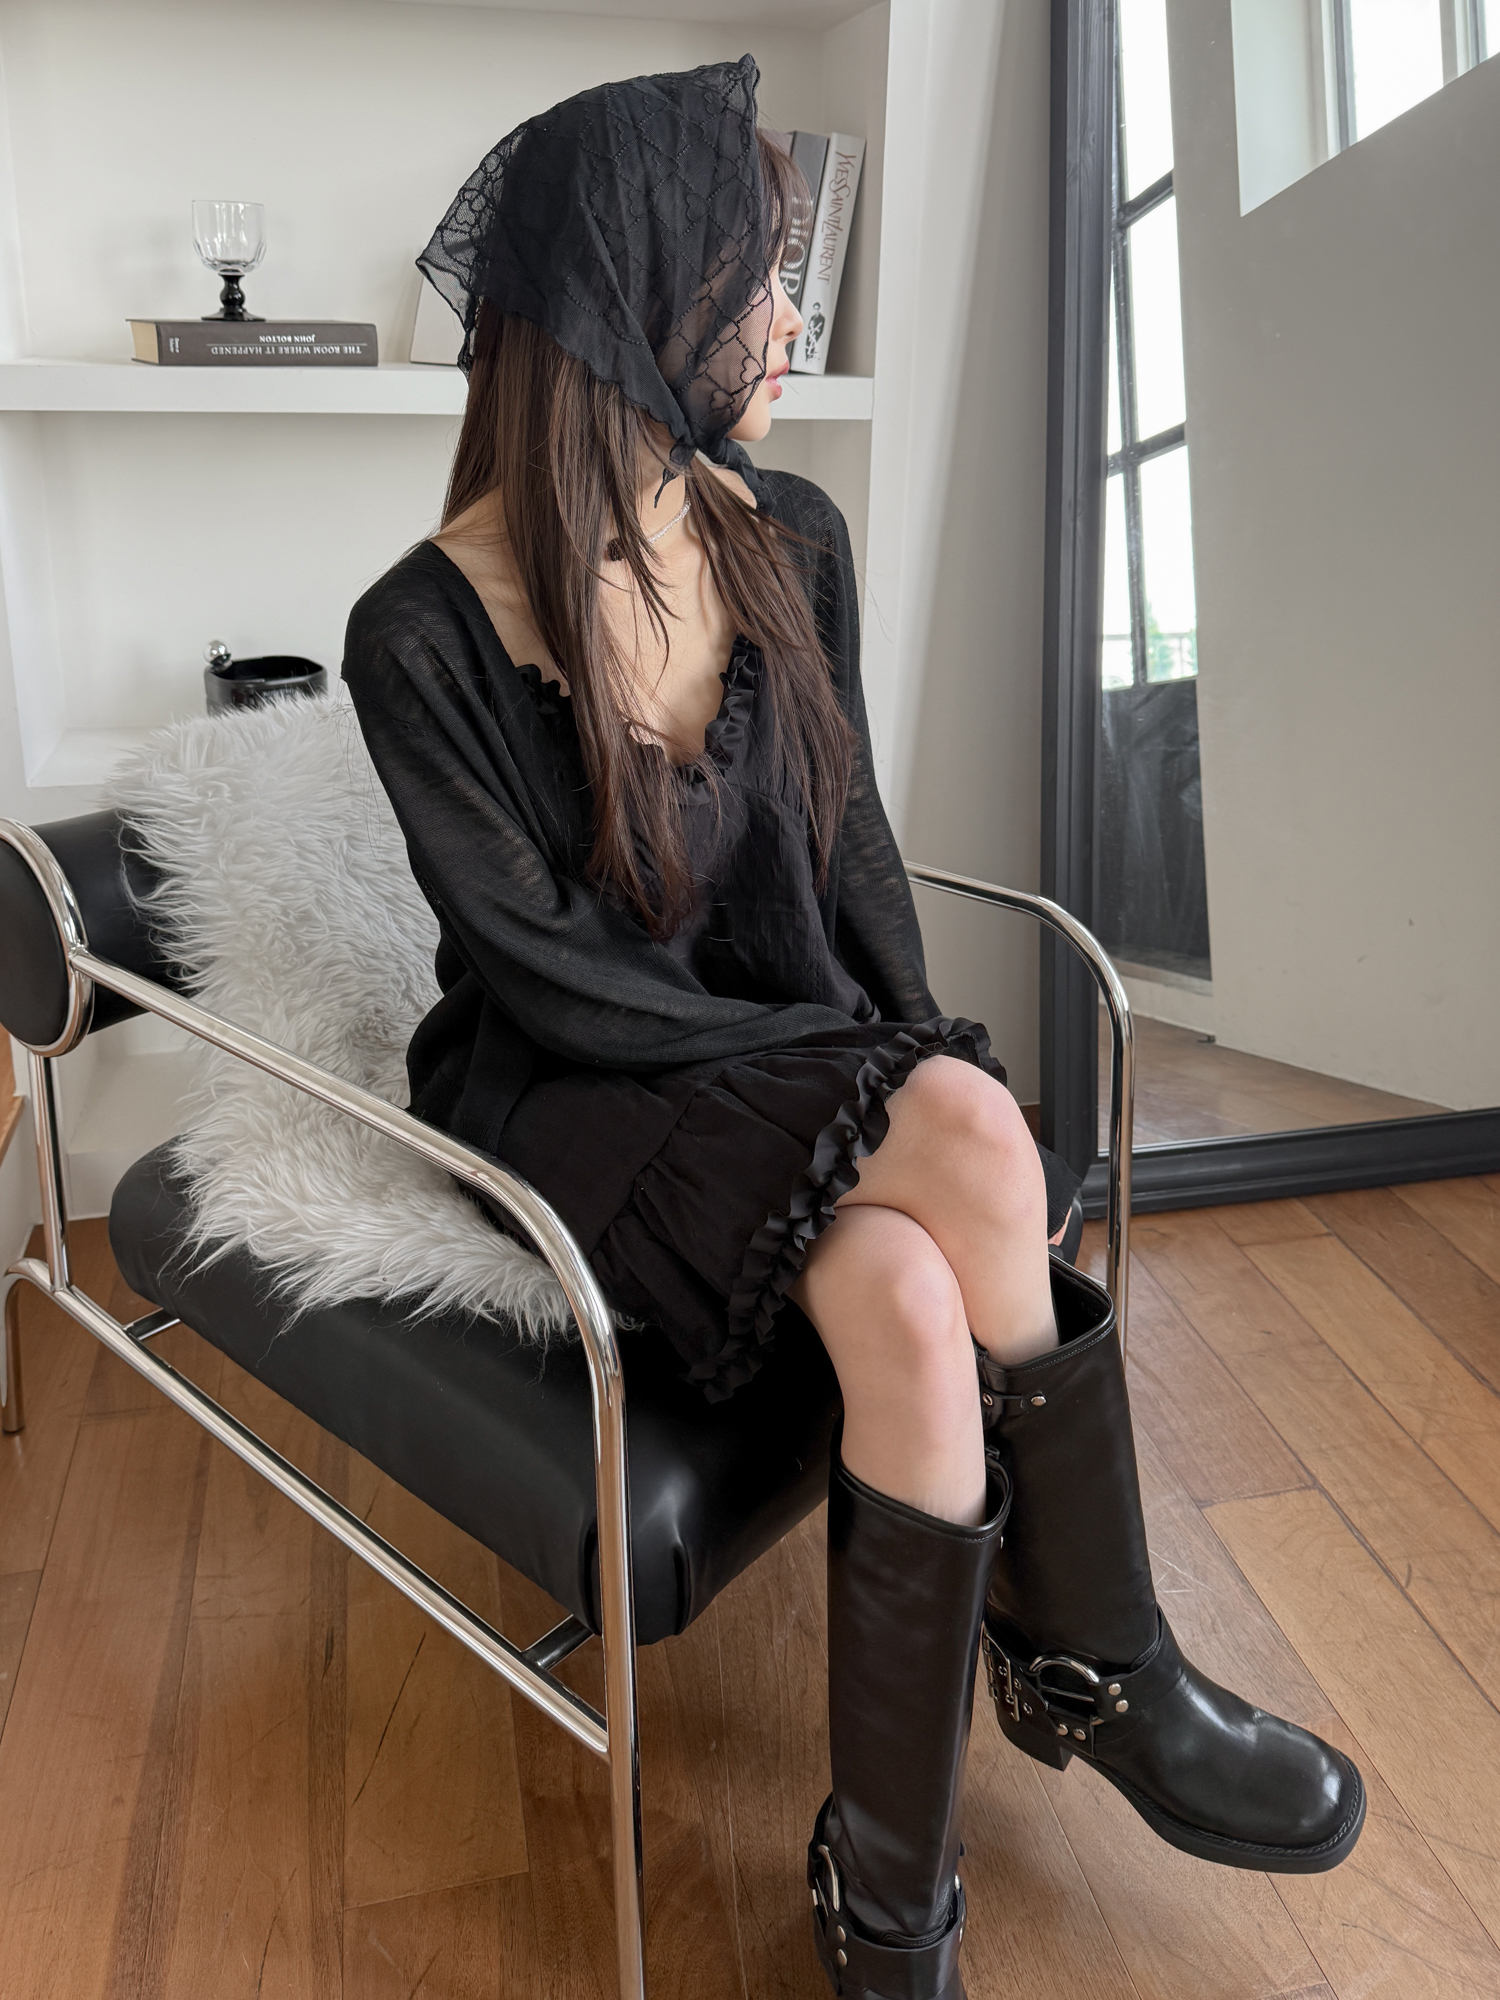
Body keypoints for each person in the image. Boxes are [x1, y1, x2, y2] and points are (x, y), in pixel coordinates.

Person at [343, 56, 1364, 2000]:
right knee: (965, 1140)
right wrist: (902, 1108)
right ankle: (1100, 1666)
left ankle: (888, 1903)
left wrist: (907, 1053)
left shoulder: (787, 533)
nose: (789, 327)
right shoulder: (419, 631)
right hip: (577, 1095)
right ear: (646, 306)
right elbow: (548, 975)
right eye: (759, 288)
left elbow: (853, 842)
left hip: (781, 1052)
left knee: (908, 1288)